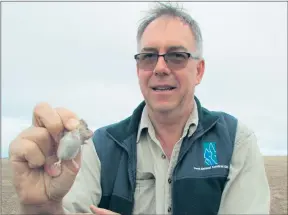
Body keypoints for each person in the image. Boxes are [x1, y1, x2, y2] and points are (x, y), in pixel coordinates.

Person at [9, 2, 270, 215]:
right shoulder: (100, 148)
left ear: (199, 70)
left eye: (177, 56)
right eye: (148, 56)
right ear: (138, 69)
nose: (160, 68)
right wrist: (42, 207)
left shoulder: (235, 141)